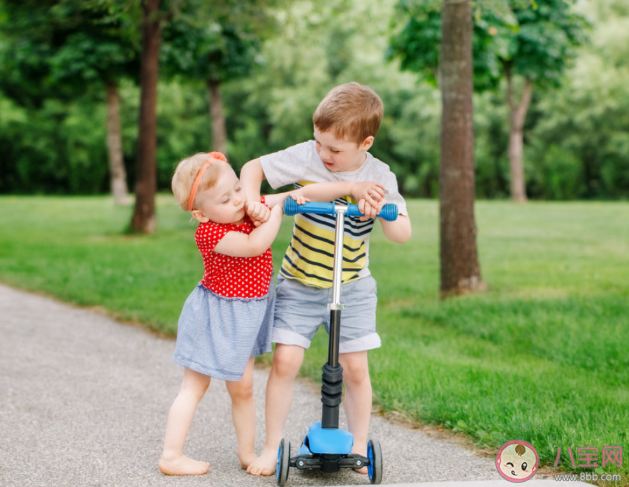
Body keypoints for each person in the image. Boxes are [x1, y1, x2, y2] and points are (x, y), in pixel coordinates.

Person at [159, 150, 384, 476]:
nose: (238, 200)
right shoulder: (210, 233)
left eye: (238, 188)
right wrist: (276, 212)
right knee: (194, 386)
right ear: (201, 213)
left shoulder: (246, 208)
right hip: (215, 315)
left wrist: (350, 186)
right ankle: (171, 454)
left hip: (246, 318)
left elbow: (302, 193)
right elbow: (254, 245)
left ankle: (247, 453)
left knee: (243, 388)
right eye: (225, 199)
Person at [240, 82, 412, 476]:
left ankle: (356, 446)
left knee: (354, 369)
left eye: (335, 150)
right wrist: (252, 199)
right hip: (299, 282)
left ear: (365, 143)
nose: (324, 154)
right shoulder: (306, 156)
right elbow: (254, 168)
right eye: (320, 143)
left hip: (352, 286)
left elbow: (402, 232)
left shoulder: (379, 175)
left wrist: (381, 211)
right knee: (285, 361)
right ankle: (270, 448)